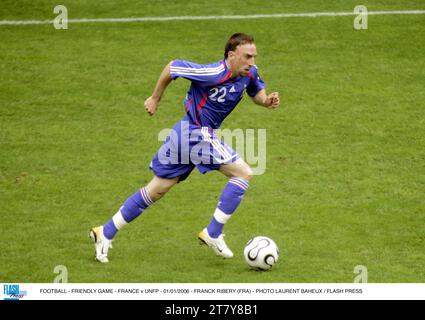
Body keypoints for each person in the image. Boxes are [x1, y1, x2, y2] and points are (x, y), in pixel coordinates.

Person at [90, 33, 280, 263]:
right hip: (194, 132)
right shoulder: (212, 73)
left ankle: (105, 232)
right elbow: (172, 67)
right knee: (244, 173)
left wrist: (267, 101)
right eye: (247, 56)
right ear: (232, 55)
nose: (251, 61)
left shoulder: (249, 73)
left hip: (184, 135)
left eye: (254, 56)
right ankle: (212, 233)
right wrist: (155, 98)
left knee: (157, 189)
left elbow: (256, 95)